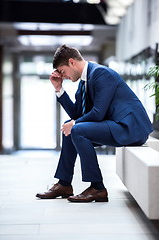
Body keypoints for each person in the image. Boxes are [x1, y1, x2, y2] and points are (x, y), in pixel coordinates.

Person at [36, 45, 153, 203]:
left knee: (76, 129)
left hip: (130, 128)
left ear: (72, 62)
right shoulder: (83, 83)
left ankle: (97, 187)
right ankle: (64, 184)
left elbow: (98, 113)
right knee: (71, 128)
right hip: (115, 124)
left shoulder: (100, 73)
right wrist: (59, 89)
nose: (63, 76)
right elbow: (76, 115)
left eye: (63, 71)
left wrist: (75, 123)